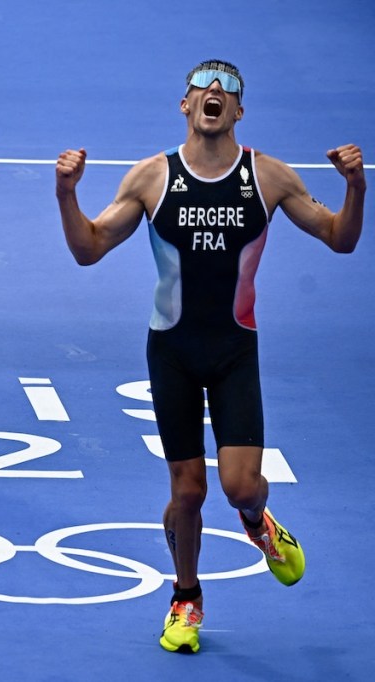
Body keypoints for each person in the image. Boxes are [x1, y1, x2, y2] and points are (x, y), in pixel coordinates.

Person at [55, 59, 365, 654]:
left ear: (239, 112)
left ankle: (259, 523)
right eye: (203, 85)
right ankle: (186, 598)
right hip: (171, 350)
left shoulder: (269, 177)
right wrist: (67, 195)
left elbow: (338, 237)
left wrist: (356, 189)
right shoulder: (152, 178)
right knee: (189, 492)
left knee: (242, 486)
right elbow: (89, 248)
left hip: (232, 350)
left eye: (229, 88)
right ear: (185, 105)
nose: (216, 92)